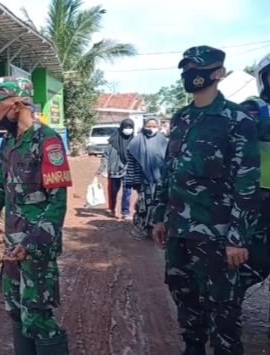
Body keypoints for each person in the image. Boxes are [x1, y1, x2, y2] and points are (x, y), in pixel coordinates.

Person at [152, 46, 261, 355]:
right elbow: (168, 172)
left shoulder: (237, 120)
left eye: (196, 68)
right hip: (179, 231)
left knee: (223, 312)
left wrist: (237, 238)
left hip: (217, 236)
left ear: (218, 73)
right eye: (185, 68)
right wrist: (159, 217)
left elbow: (247, 182)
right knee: (185, 302)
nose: (189, 74)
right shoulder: (181, 118)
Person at [0, 77, 72, 354]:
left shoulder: (48, 141)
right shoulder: (8, 143)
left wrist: (30, 244)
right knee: (16, 311)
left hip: (36, 248)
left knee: (38, 317)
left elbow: (57, 205)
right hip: (12, 245)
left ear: (17, 105)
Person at [239, 53, 270, 338]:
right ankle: (226, 308)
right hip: (260, 199)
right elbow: (242, 131)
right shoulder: (253, 108)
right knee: (254, 261)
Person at [125, 117, 168, 239]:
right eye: (149, 126)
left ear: (159, 128)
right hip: (144, 182)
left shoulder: (164, 142)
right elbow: (132, 164)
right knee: (144, 206)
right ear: (144, 126)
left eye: (154, 126)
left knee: (159, 205)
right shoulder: (136, 142)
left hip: (161, 181)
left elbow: (170, 161)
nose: (151, 129)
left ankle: (157, 230)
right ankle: (144, 229)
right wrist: (135, 181)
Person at [97, 118, 135, 219]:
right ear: (121, 128)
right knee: (113, 191)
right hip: (114, 171)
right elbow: (105, 155)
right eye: (126, 127)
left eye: (130, 127)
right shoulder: (113, 141)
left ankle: (125, 212)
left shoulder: (134, 142)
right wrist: (103, 169)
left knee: (127, 191)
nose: (128, 129)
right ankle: (112, 209)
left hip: (128, 170)